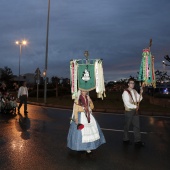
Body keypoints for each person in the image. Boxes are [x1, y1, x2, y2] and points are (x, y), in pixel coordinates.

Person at [67, 90, 106, 154]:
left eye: (85, 91)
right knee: (80, 133)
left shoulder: (88, 98)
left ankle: (88, 147)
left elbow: (92, 107)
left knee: (90, 131)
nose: (84, 92)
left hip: (88, 115)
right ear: (80, 91)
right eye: (83, 91)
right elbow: (76, 110)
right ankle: (79, 146)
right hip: (80, 116)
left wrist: (90, 101)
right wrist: (76, 118)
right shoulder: (78, 99)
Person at [122, 78, 145, 147]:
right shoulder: (125, 92)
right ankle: (125, 139)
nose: (132, 84)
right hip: (129, 111)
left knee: (137, 126)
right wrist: (135, 107)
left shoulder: (134, 91)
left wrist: (141, 93)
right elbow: (127, 103)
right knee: (127, 126)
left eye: (133, 83)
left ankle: (138, 141)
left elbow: (139, 99)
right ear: (128, 84)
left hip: (135, 110)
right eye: (131, 83)